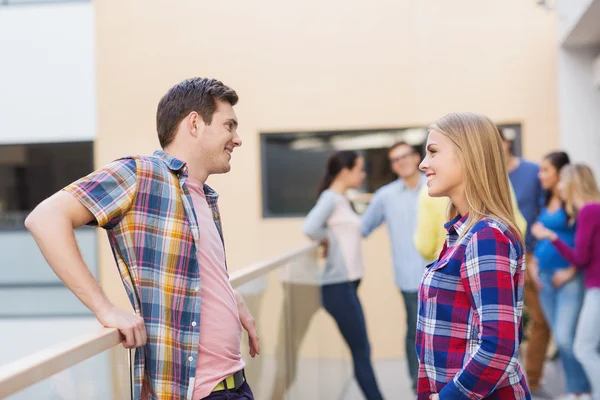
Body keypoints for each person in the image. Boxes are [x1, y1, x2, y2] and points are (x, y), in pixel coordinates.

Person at [24, 78, 259, 400]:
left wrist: (229, 296)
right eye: (229, 126)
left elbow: (187, 270)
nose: (237, 139)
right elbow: (44, 218)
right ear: (194, 123)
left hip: (235, 384)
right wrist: (104, 308)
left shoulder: (202, 195)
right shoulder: (141, 174)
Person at [416, 112, 530, 399]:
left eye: (433, 152)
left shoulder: (486, 236)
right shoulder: (462, 233)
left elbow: (499, 346)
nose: (423, 163)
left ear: (467, 156)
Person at [303, 150, 384, 400]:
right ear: (345, 171)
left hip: (348, 285)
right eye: (360, 169)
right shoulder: (330, 198)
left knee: (362, 348)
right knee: (362, 350)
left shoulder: (342, 199)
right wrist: (325, 239)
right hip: (337, 287)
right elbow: (309, 227)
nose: (363, 174)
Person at [360, 141, 429, 393]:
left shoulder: (434, 187)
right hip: (410, 278)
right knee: (415, 331)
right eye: (395, 159)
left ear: (415, 157)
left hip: (443, 275)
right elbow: (362, 227)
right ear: (393, 166)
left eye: (405, 156)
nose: (402, 162)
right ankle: (418, 384)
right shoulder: (386, 196)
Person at [532, 163, 599, 400]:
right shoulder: (587, 211)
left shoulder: (589, 211)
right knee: (581, 344)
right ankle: (578, 391)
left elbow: (580, 258)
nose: (558, 186)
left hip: (594, 288)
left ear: (572, 184)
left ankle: (589, 391)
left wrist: (550, 236)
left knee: (581, 345)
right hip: (585, 286)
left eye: (562, 181)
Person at [499, 128, 551, 396]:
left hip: (532, 254)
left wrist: (538, 251)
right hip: (499, 255)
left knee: (540, 319)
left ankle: (532, 378)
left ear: (507, 143)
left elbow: (547, 206)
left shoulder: (532, 171)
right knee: (507, 322)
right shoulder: (490, 174)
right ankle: (508, 377)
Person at [413, 174, 527, 261]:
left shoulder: (429, 191)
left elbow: (426, 247)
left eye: (434, 152)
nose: (424, 164)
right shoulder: (498, 178)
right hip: (504, 263)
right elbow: (518, 226)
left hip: (451, 274)